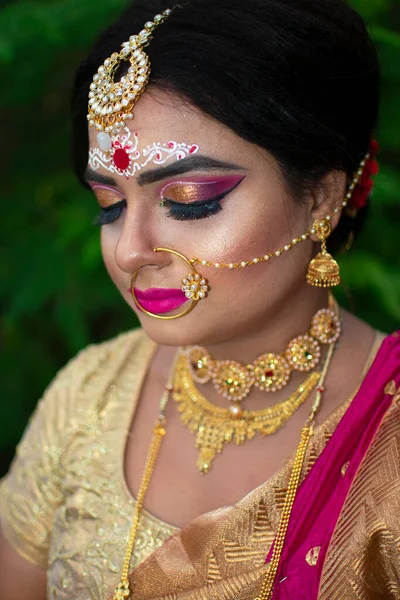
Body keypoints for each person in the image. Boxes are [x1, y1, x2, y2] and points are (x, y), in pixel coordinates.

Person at [1, 0, 399, 598]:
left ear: (320, 196)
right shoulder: (87, 396)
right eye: (110, 206)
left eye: (190, 199)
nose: (131, 251)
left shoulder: (387, 442)